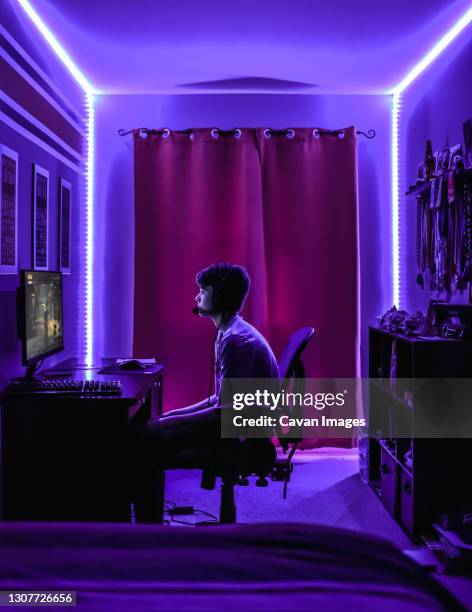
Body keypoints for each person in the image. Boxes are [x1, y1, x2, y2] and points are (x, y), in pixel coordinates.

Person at [133, 262, 279, 522]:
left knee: (145, 439)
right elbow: (222, 399)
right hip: (238, 423)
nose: (196, 296)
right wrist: (171, 416)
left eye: (203, 290)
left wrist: (166, 424)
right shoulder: (230, 332)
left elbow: (229, 411)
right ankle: (150, 523)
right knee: (153, 429)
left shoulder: (236, 341)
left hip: (244, 435)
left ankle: (148, 529)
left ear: (220, 295)